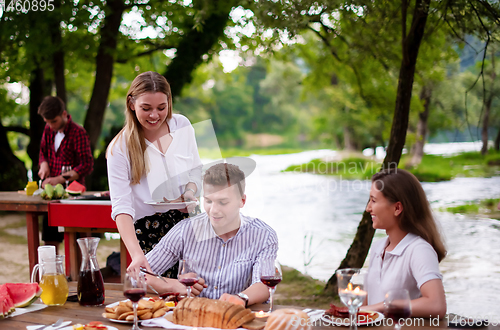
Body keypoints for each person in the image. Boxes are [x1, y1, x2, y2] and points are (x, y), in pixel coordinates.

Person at [106, 71, 202, 277]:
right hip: (149, 231)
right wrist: (136, 254)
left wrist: (190, 192)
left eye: (161, 107)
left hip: (189, 222)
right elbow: (122, 208)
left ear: (169, 102)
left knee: (200, 290)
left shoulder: (182, 125)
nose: (154, 115)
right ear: (131, 104)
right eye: (146, 108)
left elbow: (195, 169)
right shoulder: (119, 148)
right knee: (163, 298)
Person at [144, 163, 278, 307]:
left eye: (223, 202)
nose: (213, 210)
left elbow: (264, 285)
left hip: (236, 317)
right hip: (191, 319)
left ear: (242, 201)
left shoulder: (263, 235)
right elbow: (139, 276)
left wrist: (241, 298)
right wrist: (173, 285)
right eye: (208, 201)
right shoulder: (185, 231)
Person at [362, 168, 447, 318]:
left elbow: (436, 305)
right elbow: (366, 308)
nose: (368, 208)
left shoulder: (419, 250)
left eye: (374, 201)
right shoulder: (377, 248)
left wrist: (385, 305)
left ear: (397, 208)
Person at [38, 96, 94, 253]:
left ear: (63, 114)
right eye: (47, 122)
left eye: (53, 121)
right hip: (52, 197)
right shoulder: (48, 129)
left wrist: (59, 179)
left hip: (73, 195)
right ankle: (50, 273)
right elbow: (43, 151)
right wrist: (44, 164)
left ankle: (75, 276)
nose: (50, 125)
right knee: (49, 240)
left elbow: (87, 164)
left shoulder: (78, 133)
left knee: (76, 242)